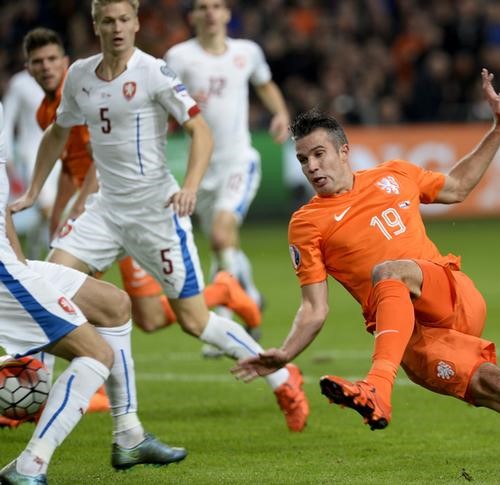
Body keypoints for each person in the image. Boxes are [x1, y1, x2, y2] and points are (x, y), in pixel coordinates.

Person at [233, 70, 500, 461]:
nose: (311, 167)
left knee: (388, 270)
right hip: (414, 343)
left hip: (451, 298)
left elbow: (455, 187)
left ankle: (377, 388)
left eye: (319, 154)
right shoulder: (305, 224)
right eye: (303, 159)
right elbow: (314, 308)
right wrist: (285, 354)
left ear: (344, 151)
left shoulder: (393, 174)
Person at [11, 0, 308, 432]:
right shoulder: (79, 76)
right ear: (96, 25)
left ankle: (283, 375)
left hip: (155, 213)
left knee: (194, 321)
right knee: (47, 288)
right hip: (105, 210)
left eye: (124, 20)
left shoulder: (155, 71)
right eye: (107, 21)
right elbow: (57, 132)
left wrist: (189, 186)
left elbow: (198, 130)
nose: (117, 28)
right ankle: (36, 390)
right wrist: (35, 189)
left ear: (135, 24)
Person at [23, 26, 261, 337]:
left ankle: (94, 378)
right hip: (101, 213)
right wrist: (60, 212)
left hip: (117, 205)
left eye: (52, 59)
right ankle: (221, 293)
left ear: (65, 61)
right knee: (141, 316)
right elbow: (69, 168)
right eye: (38, 62)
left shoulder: (89, 93)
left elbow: (102, 157)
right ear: (28, 67)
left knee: (73, 293)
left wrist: (81, 202)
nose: (46, 67)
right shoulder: (47, 112)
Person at [0, 101, 186, 484]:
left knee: (114, 304)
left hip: (10, 264)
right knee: (95, 353)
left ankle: (128, 435)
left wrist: (22, 266)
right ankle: (30, 466)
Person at [164, 0, 290, 316]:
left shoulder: (246, 52)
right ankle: (251, 296)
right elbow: (162, 104)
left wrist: (280, 113)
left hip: (238, 161)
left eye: (217, 6)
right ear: (192, 16)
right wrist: (185, 105)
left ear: (227, 14)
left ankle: (226, 313)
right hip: (201, 167)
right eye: (203, 7)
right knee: (224, 244)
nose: (210, 12)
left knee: (221, 235)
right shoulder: (178, 57)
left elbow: (265, 84)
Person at [2, 68, 62, 260]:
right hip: (32, 156)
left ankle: (35, 257)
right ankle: (60, 259)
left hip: (60, 157)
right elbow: (7, 120)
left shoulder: (61, 79)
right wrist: (8, 158)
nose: (45, 64)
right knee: (47, 207)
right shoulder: (20, 83)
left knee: (45, 214)